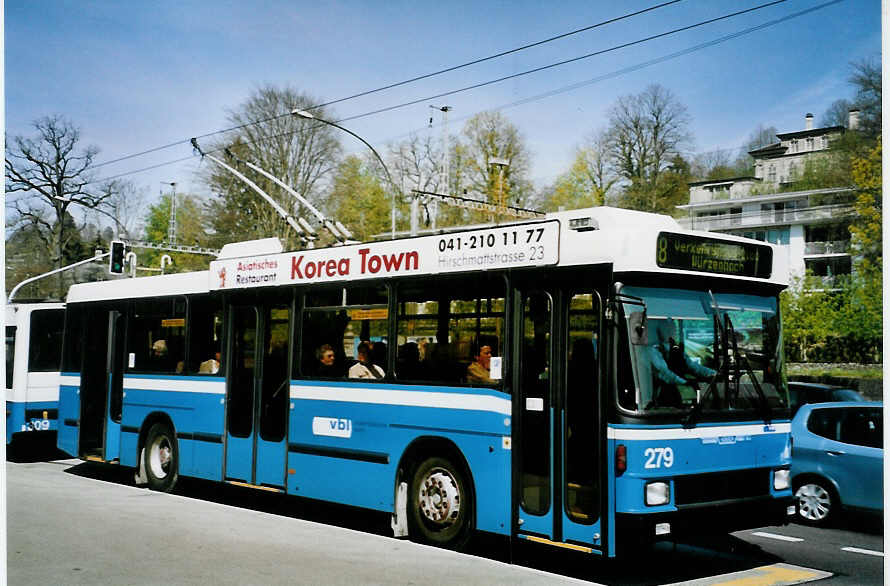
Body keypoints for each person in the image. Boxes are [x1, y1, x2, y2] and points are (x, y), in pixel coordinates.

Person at [648, 320, 715, 406]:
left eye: (674, 327)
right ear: (661, 330)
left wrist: (713, 373)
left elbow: (692, 366)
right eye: (669, 328)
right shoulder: (654, 350)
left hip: (678, 393)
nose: (674, 330)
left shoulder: (676, 348)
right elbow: (664, 373)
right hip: (661, 395)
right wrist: (685, 382)